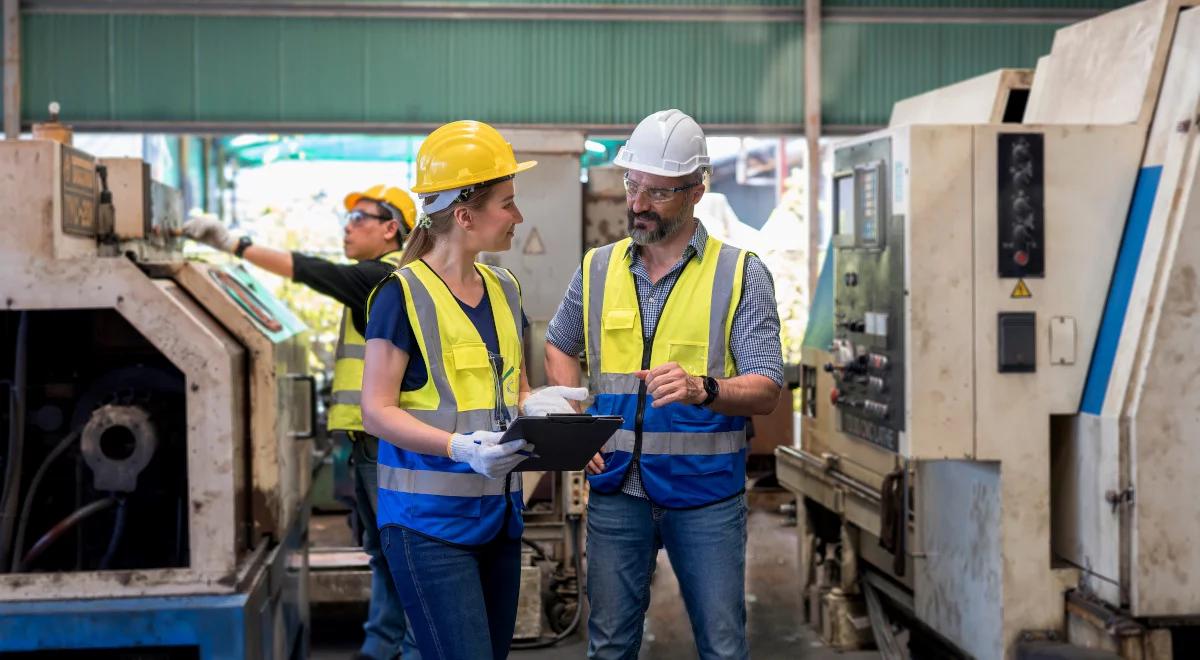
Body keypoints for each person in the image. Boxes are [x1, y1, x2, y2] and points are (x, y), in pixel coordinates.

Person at [544, 109, 784, 660]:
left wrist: (706, 388)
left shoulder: (740, 272)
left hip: (705, 496)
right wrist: (576, 426)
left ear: (697, 191)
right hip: (616, 497)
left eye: (658, 192)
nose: (637, 203)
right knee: (609, 648)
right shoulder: (598, 268)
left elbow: (768, 386)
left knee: (722, 648)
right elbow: (560, 344)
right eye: (633, 184)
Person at [181, 186, 420, 660]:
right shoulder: (380, 280)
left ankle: (407, 649)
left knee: (403, 557)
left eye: (360, 217)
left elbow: (311, 270)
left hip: (386, 444)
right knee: (385, 556)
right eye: (346, 217)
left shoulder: (380, 278)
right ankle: (381, 646)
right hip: (366, 441)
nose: (347, 226)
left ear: (391, 228)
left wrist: (236, 245)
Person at [359, 120, 539, 660]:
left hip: (498, 517)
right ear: (464, 215)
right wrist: (458, 447)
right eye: (507, 203)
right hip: (427, 528)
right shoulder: (401, 295)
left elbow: (518, 389)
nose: (518, 216)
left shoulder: (505, 289)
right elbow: (375, 411)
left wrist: (543, 407)